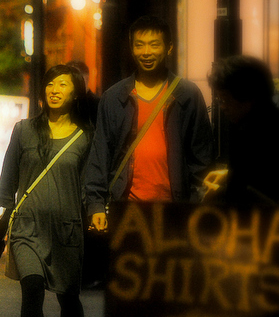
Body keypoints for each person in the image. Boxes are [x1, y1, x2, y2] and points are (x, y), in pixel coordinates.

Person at [0, 65, 93, 317]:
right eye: (50, 84)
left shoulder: (87, 136)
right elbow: (8, 179)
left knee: (68, 298)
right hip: (27, 226)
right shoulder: (24, 130)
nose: (54, 89)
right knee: (31, 288)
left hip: (67, 228)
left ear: (75, 93)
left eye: (63, 84)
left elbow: (91, 186)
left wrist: (99, 212)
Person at [84, 15, 213, 232]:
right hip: (126, 209)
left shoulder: (188, 95)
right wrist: (95, 204)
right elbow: (100, 154)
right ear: (132, 48)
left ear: (169, 48)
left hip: (175, 211)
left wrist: (195, 204)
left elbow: (202, 158)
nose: (146, 52)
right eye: (139, 45)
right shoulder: (114, 97)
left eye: (154, 45)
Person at [205, 55, 279, 209]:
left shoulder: (263, 131)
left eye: (225, 100)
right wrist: (228, 174)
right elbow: (256, 174)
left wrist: (218, 193)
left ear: (247, 96)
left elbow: (259, 192)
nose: (222, 107)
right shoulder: (272, 119)